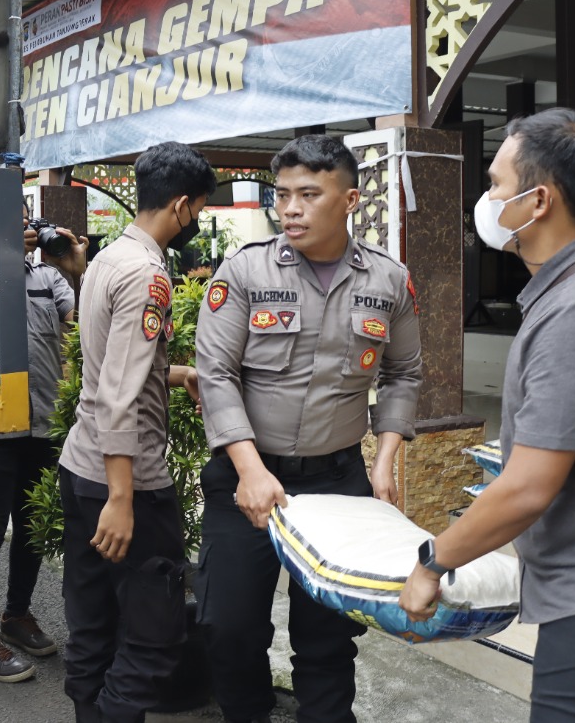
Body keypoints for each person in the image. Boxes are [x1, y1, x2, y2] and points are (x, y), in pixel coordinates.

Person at [399, 108, 575, 723]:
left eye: (498, 184)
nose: (488, 199)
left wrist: (434, 562)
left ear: (539, 201)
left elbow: (527, 488)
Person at [195, 134, 422, 723]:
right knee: (230, 626)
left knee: (326, 637)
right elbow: (215, 373)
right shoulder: (245, 270)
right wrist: (248, 470)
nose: (289, 208)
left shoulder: (389, 282)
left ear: (349, 200)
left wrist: (383, 459)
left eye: (307, 194)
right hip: (245, 480)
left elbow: (405, 373)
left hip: (337, 480)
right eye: (282, 194)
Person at [59, 140, 211, 723]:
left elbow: (106, 368)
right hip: (126, 482)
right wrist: (123, 497)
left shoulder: (106, 259)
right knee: (152, 640)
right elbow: (119, 395)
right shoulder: (149, 275)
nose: (195, 220)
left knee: (93, 626)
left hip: (81, 469)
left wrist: (177, 374)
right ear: (180, 206)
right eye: (197, 208)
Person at [0, 201, 87, 682]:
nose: (24, 230)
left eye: (26, 221)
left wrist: (77, 271)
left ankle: (16, 616)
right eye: (10, 221)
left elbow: (86, 329)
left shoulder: (50, 280)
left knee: (32, 526)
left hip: (43, 422)